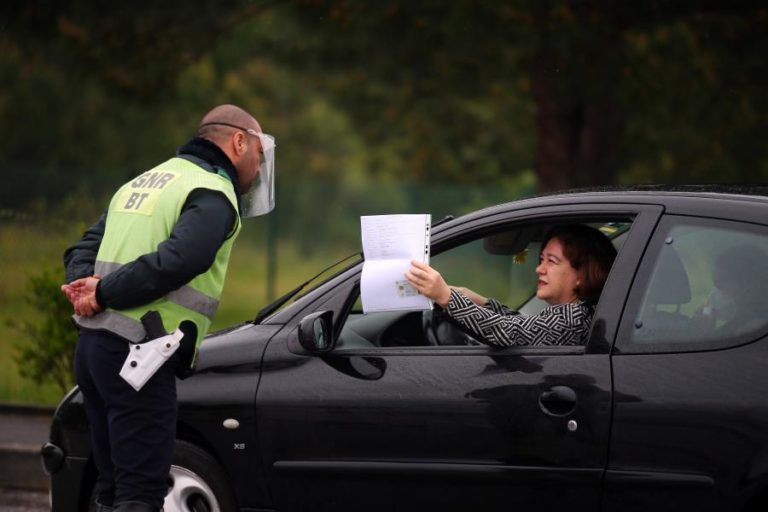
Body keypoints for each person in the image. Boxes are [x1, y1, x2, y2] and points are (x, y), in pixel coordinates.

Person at [60, 104, 276, 512]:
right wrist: (102, 293)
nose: (259, 166)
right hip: (139, 357)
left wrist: (88, 287)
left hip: (93, 352)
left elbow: (82, 248)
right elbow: (181, 259)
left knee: (111, 489)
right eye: (259, 155)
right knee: (140, 492)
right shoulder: (212, 191)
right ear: (239, 142)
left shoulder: (146, 181)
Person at [405, 224, 617, 347]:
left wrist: (446, 297)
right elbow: (527, 328)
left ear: (582, 274)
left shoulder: (573, 318)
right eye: (540, 260)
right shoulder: (577, 314)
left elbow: (509, 332)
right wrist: (481, 302)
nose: (539, 269)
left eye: (551, 261)